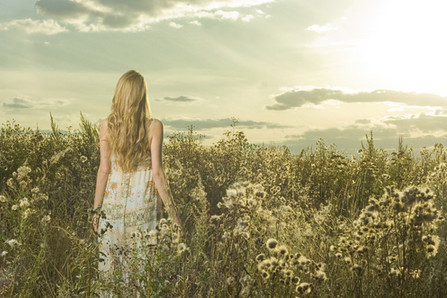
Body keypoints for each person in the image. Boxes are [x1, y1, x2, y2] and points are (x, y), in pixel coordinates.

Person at [91, 70, 182, 284]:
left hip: (112, 209)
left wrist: (95, 212)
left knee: (112, 274)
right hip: (143, 207)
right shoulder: (154, 126)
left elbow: (103, 170)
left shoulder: (107, 126)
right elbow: (158, 174)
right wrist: (174, 217)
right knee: (143, 272)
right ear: (142, 96)